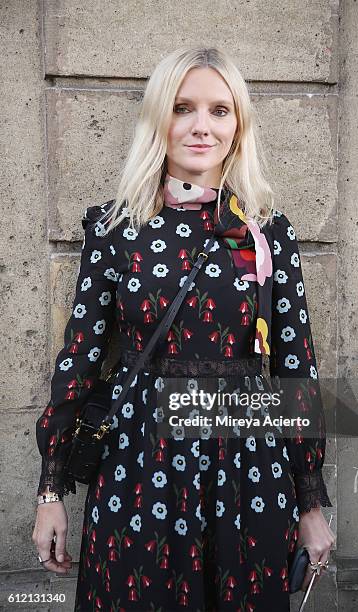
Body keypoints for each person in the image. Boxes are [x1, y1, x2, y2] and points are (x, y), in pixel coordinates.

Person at [32, 46, 335, 611]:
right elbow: (78, 360)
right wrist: (51, 493)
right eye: (183, 108)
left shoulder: (266, 233)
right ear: (158, 119)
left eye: (220, 111)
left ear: (238, 124)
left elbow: (297, 370)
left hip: (248, 468)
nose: (202, 127)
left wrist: (311, 503)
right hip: (139, 466)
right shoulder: (115, 227)